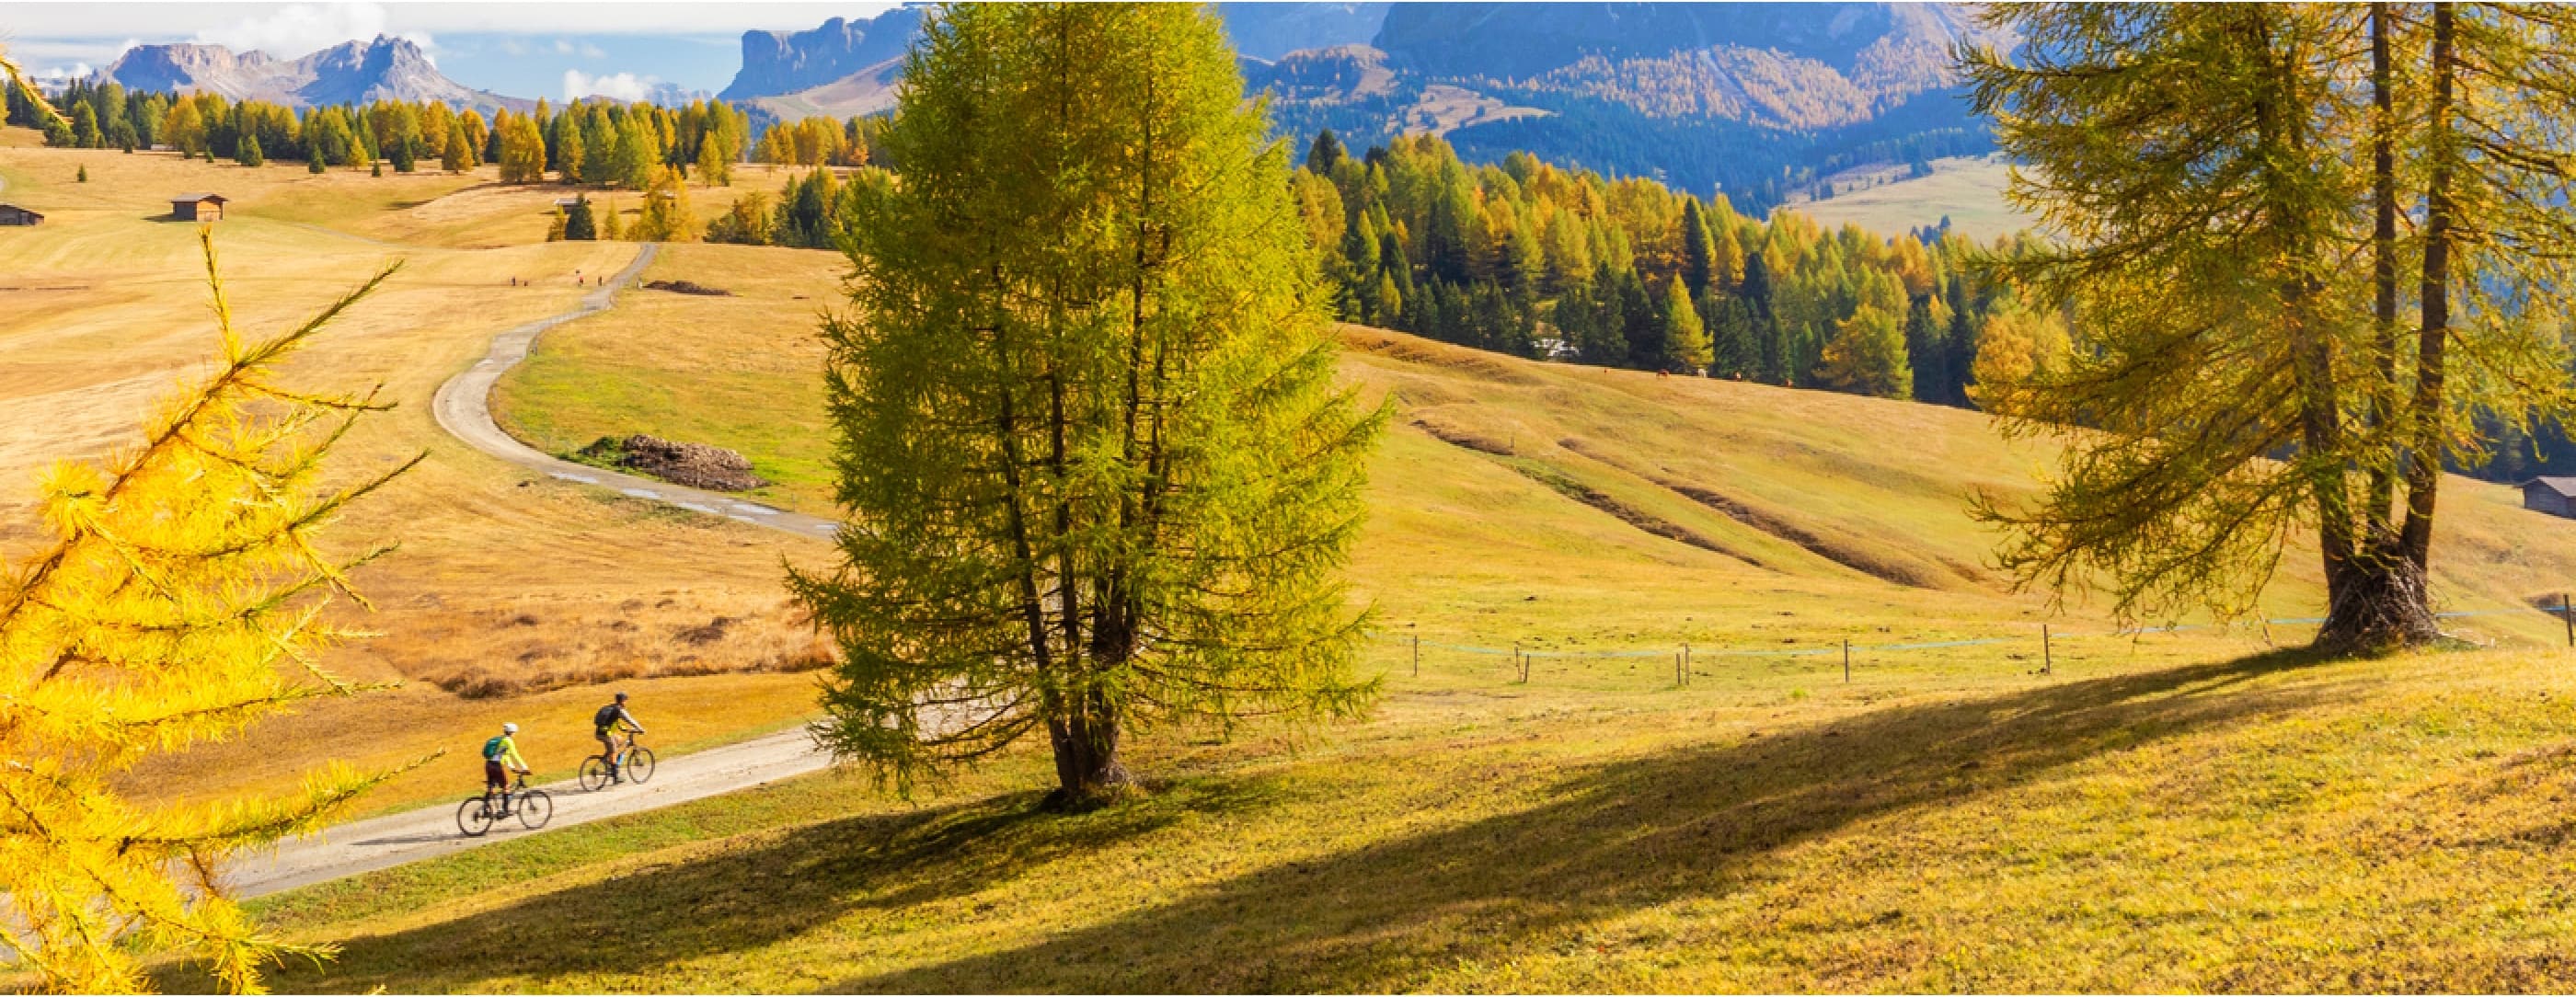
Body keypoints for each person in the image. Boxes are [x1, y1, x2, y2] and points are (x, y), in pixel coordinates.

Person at [593, 692, 646, 784]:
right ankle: (615, 777)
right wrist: (641, 729)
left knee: (620, 740)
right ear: (622, 701)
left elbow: (613, 721)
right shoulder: (620, 710)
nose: (626, 703)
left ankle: (609, 762)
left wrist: (623, 729)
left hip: (601, 732)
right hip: (606, 734)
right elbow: (630, 720)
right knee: (613, 752)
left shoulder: (612, 707)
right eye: (625, 700)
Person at [482, 722, 531, 813]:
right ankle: (505, 810)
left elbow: (505, 755)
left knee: (491, 787)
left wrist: (512, 767)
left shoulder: (502, 740)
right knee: (506, 787)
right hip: (496, 766)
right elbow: (515, 754)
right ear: (513, 732)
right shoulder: (508, 741)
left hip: (488, 764)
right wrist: (525, 767)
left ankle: (485, 809)